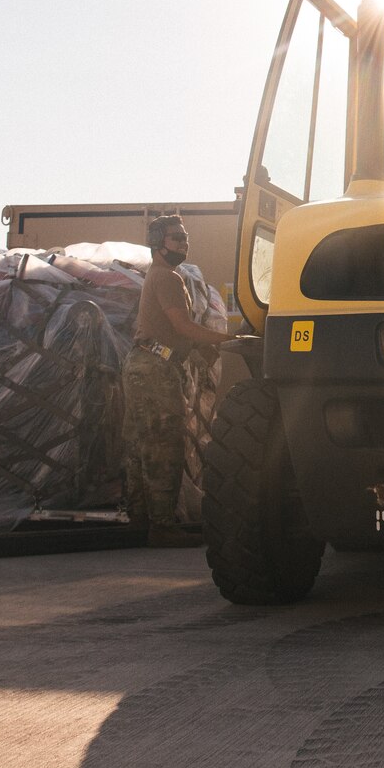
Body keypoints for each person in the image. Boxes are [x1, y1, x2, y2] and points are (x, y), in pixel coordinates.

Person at [123, 215, 235, 545]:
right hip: (155, 368)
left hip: (142, 363)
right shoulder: (168, 278)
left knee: (140, 443)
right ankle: (162, 526)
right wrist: (227, 339)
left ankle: (139, 519)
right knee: (163, 444)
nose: (183, 243)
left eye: (185, 237)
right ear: (158, 245)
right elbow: (184, 327)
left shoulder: (158, 275)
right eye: (176, 238)